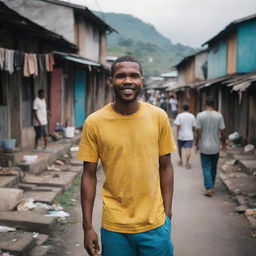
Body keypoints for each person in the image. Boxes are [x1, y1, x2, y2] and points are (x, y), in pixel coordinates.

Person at [78, 56, 176, 256]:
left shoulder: (158, 117)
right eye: (121, 76)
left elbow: (166, 166)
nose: (128, 81)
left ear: (142, 81)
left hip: (155, 225)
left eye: (134, 76)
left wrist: (167, 214)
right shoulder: (94, 122)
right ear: (111, 80)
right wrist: (87, 227)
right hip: (115, 227)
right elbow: (88, 175)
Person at [195, 96, 226, 197]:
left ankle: (209, 187)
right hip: (215, 146)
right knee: (213, 167)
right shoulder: (219, 116)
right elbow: (222, 131)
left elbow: (198, 131)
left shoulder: (200, 116)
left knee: (206, 167)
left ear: (205, 104)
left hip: (204, 146)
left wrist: (197, 144)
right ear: (214, 104)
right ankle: (211, 185)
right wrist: (224, 144)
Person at [174, 104, 196, 168]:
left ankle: (181, 160)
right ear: (189, 109)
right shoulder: (192, 116)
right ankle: (187, 163)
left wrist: (177, 133)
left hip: (181, 135)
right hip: (189, 136)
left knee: (179, 148)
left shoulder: (179, 116)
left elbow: (178, 126)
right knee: (188, 149)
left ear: (183, 109)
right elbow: (194, 126)